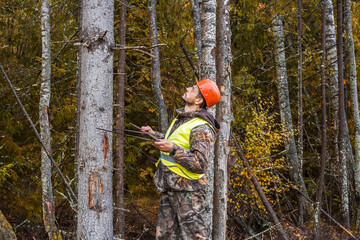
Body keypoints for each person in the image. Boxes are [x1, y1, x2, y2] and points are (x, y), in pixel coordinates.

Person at [141, 79, 221, 240]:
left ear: (198, 100)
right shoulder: (183, 120)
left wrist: (172, 149)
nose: (187, 88)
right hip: (170, 187)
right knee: (165, 237)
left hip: (188, 194)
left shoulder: (201, 127)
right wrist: (153, 134)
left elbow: (200, 164)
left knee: (194, 237)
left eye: (192, 88)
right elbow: (176, 142)